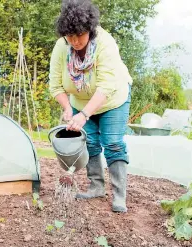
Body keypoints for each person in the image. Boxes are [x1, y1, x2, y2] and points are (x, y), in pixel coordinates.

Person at [48, 0, 132, 213]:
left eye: (80, 35)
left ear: (91, 31)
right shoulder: (62, 47)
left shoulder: (105, 44)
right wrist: (67, 108)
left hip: (112, 99)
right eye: (70, 36)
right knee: (91, 142)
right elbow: (55, 84)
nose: (75, 41)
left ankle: (119, 195)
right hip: (80, 100)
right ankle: (96, 187)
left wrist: (85, 114)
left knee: (112, 143)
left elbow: (106, 86)